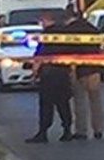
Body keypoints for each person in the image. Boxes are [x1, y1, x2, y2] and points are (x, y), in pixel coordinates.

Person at [26, 12, 74, 143]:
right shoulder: (65, 34)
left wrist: (35, 72)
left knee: (46, 104)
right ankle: (67, 130)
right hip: (63, 72)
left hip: (49, 73)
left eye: (41, 21)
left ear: (46, 20)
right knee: (63, 103)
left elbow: (41, 55)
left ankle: (43, 132)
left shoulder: (46, 35)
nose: (40, 24)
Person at [61, 7, 104, 140]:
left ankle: (81, 130)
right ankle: (98, 129)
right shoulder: (92, 29)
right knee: (95, 101)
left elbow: (66, 51)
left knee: (80, 101)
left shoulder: (68, 31)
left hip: (77, 68)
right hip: (94, 68)